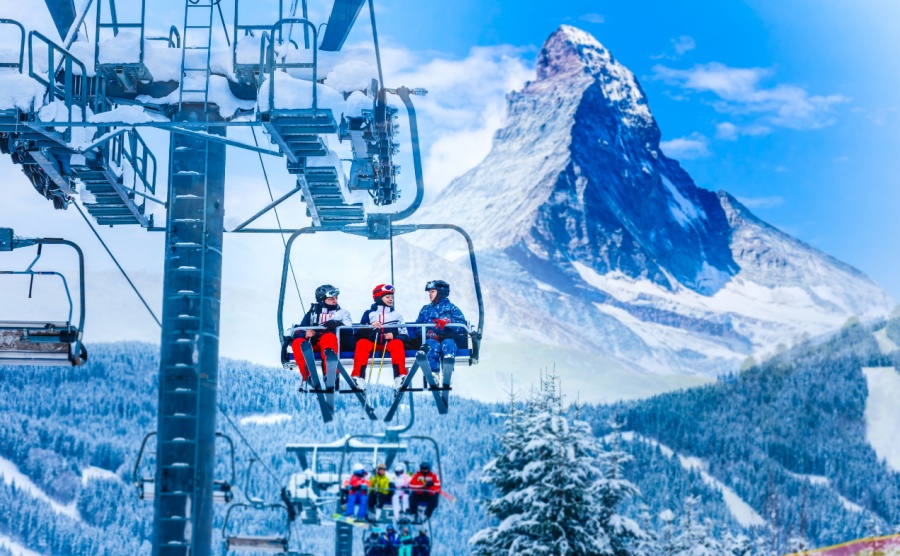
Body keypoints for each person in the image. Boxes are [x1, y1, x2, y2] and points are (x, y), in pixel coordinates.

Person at [289, 284, 352, 390]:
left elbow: (349, 331)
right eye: (331, 298)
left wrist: (336, 324)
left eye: (336, 298)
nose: (334, 300)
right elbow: (300, 330)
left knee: (328, 337)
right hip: (313, 344)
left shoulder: (342, 313)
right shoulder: (312, 314)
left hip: (331, 343)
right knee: (298, 343)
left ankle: (331, 375)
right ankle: (308, 376)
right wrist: (305, 334)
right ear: (322, 300)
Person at [354, 284, 409, 389]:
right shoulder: (369, 314)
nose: (390, 299)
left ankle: (399, 377)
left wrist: (394, 336)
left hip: (389, 343)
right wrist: (370, 326)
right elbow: (359, 333)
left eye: (391, 297)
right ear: (379, 297)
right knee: (361, 344)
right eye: (387, 297)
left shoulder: (397, 315)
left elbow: (405, 335)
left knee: (397, 344)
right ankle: (358, 377)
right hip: (372, 341)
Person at [414, 280, 466, 384]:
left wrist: (449, 323)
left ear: (440, 292)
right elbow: (417, 327)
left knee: (448, 344)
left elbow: (461, 326)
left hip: (447, 337)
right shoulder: (426, 310)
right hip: (432, 339)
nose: (430, 294)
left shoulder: (452, 309)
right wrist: (428, 333)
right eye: (429, 292)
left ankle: (448, 372)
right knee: (431, 345)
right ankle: (433, 374)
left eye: (432, 291)